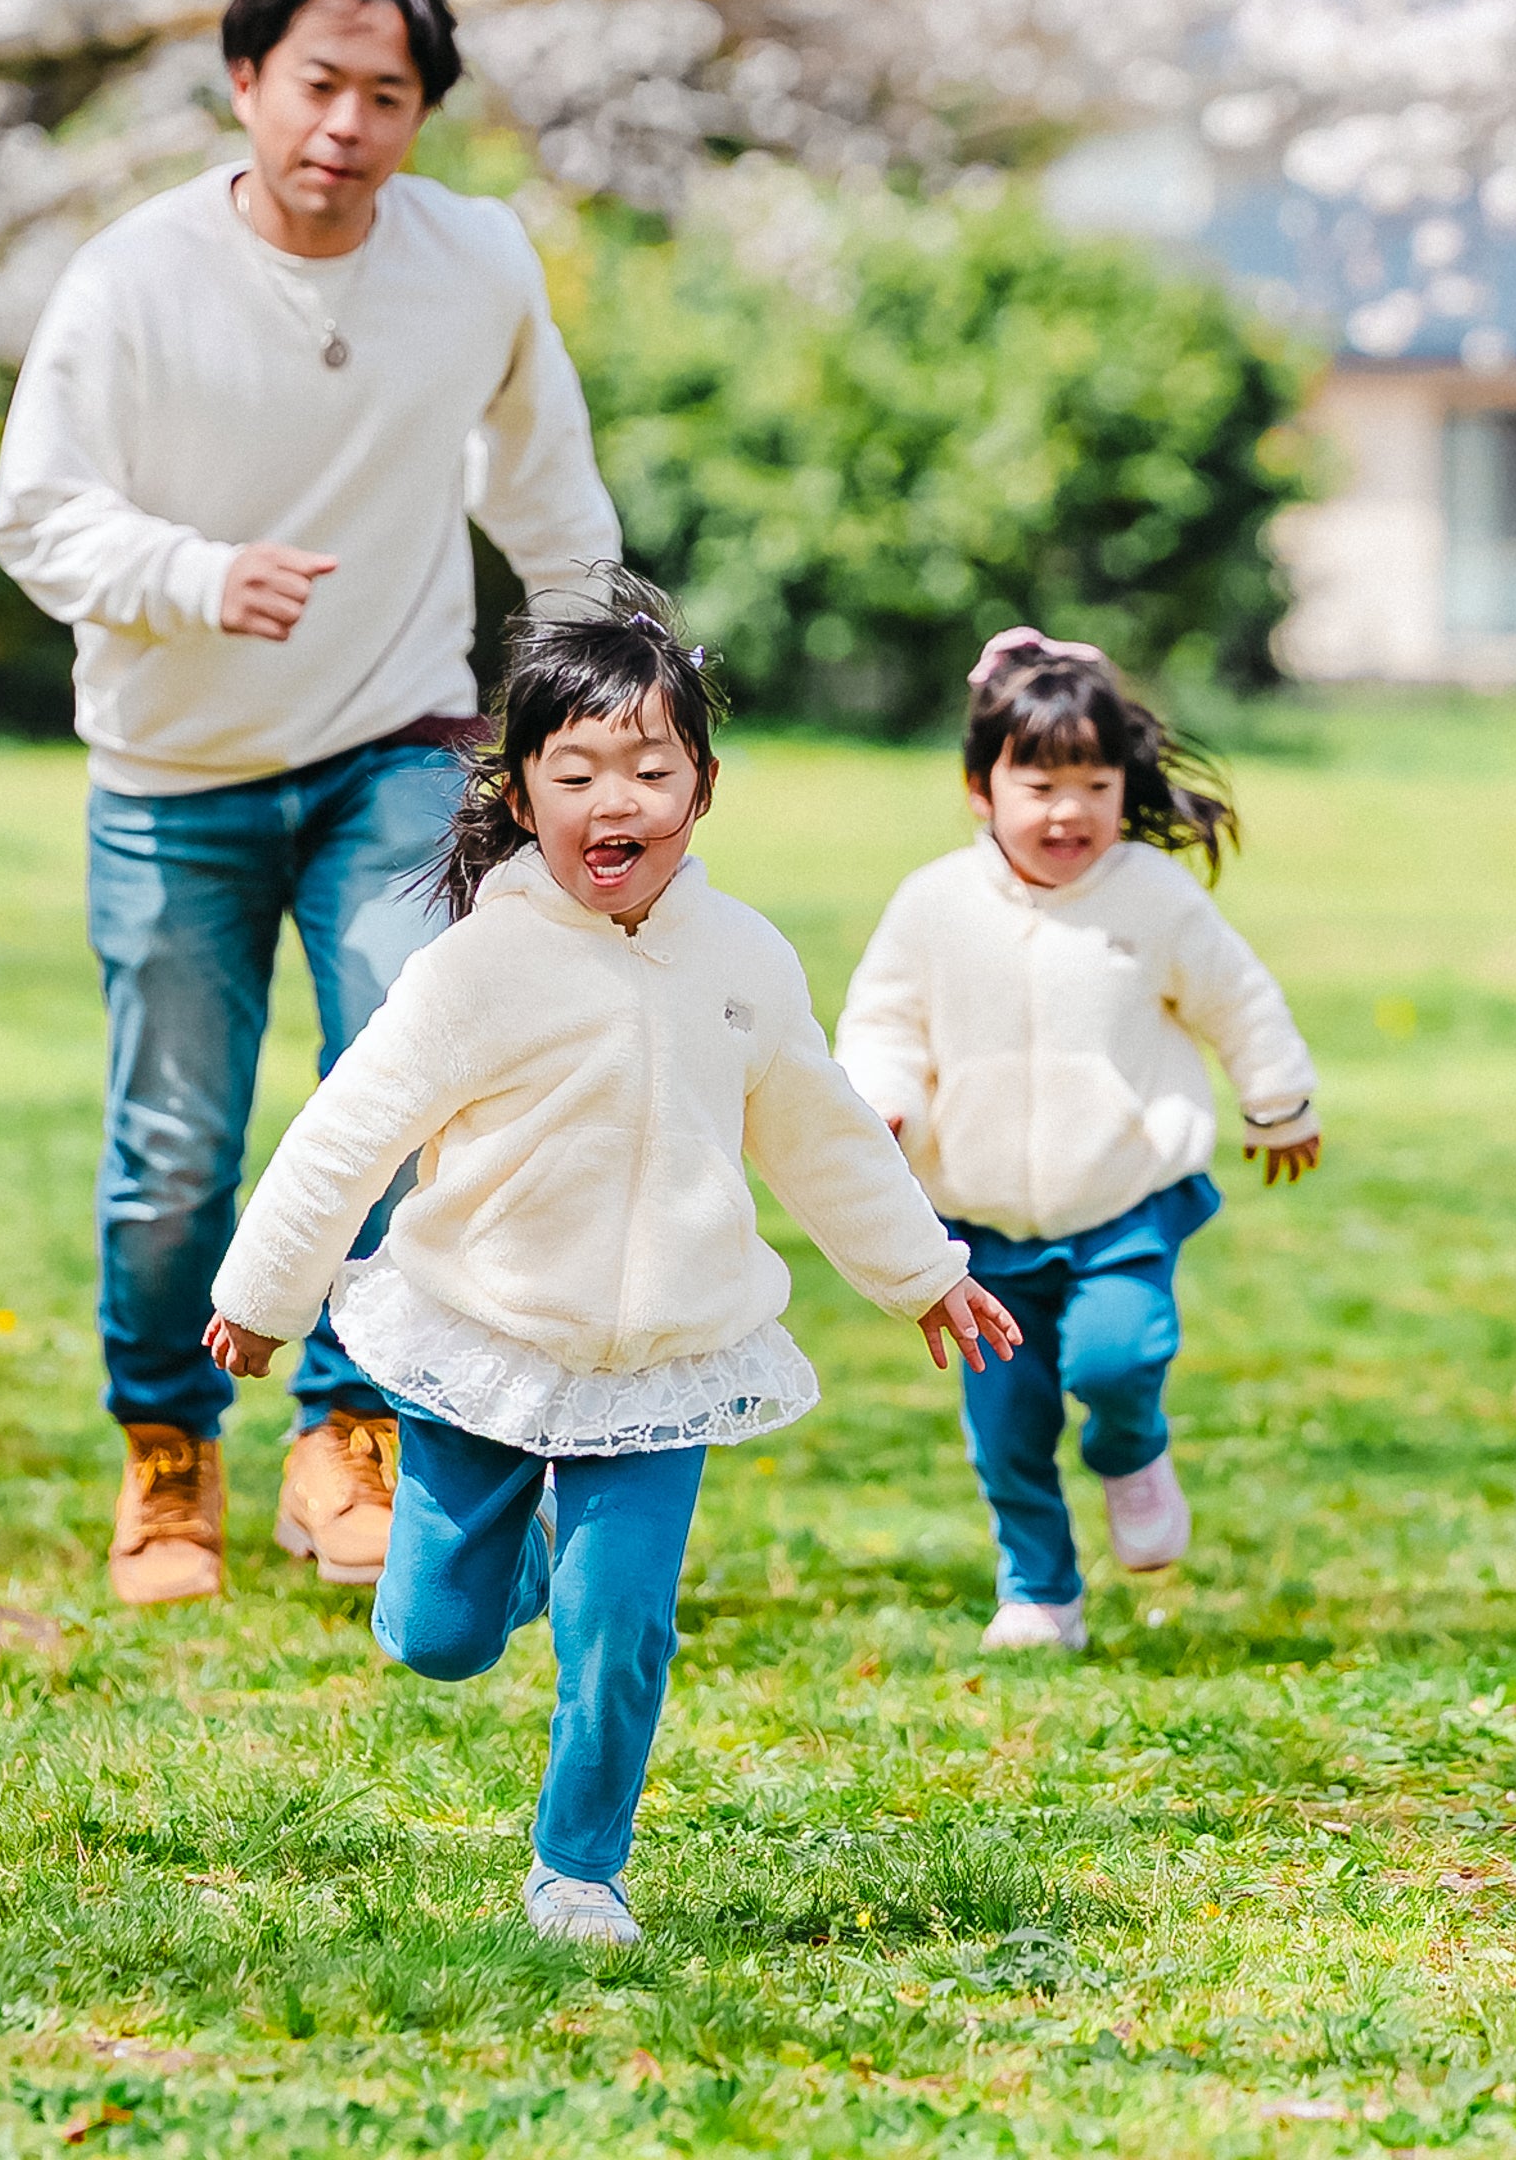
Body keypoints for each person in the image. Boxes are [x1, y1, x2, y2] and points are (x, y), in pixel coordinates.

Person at [200, 579, 1020, 1946]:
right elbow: (346, 1133)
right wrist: (260, 1296)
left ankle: (580, 1869)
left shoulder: (741, 959)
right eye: (574, 770)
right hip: (484, 1342)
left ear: (700, 791)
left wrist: (923, 1270)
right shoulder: (476, 972)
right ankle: (509, 1564)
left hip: (666, 1360)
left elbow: (820, 1131)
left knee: (622, 1631)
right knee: (437, 1636)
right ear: (524, 798)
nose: (614, 797)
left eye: (651, 767)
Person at [0, 0, 619, 1609]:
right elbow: (35, 513)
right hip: (171, 767)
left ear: (424, 116)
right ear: (246, 81)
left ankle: (347, 1431)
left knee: (407, 1071)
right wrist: (198, 575)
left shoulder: (472, 263)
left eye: (387, 95)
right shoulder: (134, 279)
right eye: (317, 84)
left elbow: (545, 491)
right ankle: (168, 1450)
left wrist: (598, 694)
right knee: (174, 1143)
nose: (345, 123)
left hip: (392, 744)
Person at [837, 631, 1320, 1653]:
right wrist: (882, 1101)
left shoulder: (1151, 896)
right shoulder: (934, 906)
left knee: (1116, 1357)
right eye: (1042, 784)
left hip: (1121, 1205)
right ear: (981, 788)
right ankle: (1040, 1594)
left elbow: (1239, 1000)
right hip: (975, 1229)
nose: (1070, 812)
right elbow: (883, 1024)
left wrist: (1278, 1101)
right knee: (1006, 1430)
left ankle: (1134, 1450)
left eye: (1095, 785)